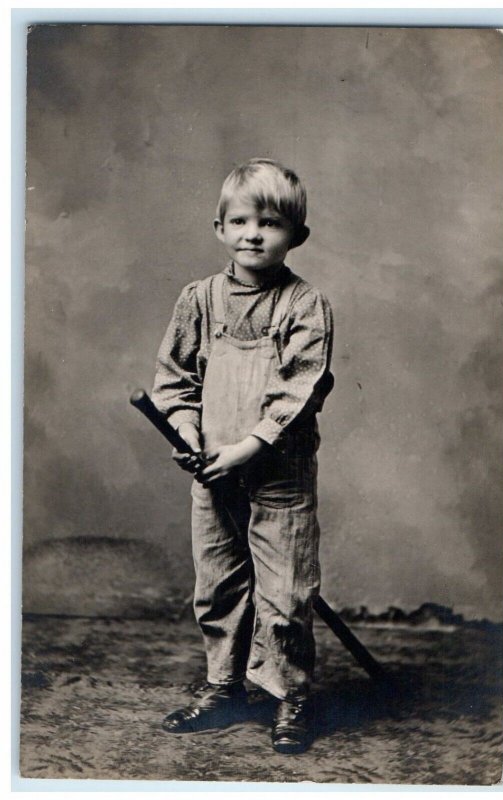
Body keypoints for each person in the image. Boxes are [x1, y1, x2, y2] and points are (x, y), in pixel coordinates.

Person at [152, 157, 334, 754]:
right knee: (219, 588)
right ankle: (225, 688)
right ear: (220, 228)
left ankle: (291, 699)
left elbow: (297, 390)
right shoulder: (198, 301)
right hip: (213, 474)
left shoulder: (304, 306)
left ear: (296, 237)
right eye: (240, 220)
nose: (254, 233)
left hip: (277, 474)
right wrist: (188, 435)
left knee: (284, 594)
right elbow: (174, 382)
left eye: (271, 223)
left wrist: (249, 447)